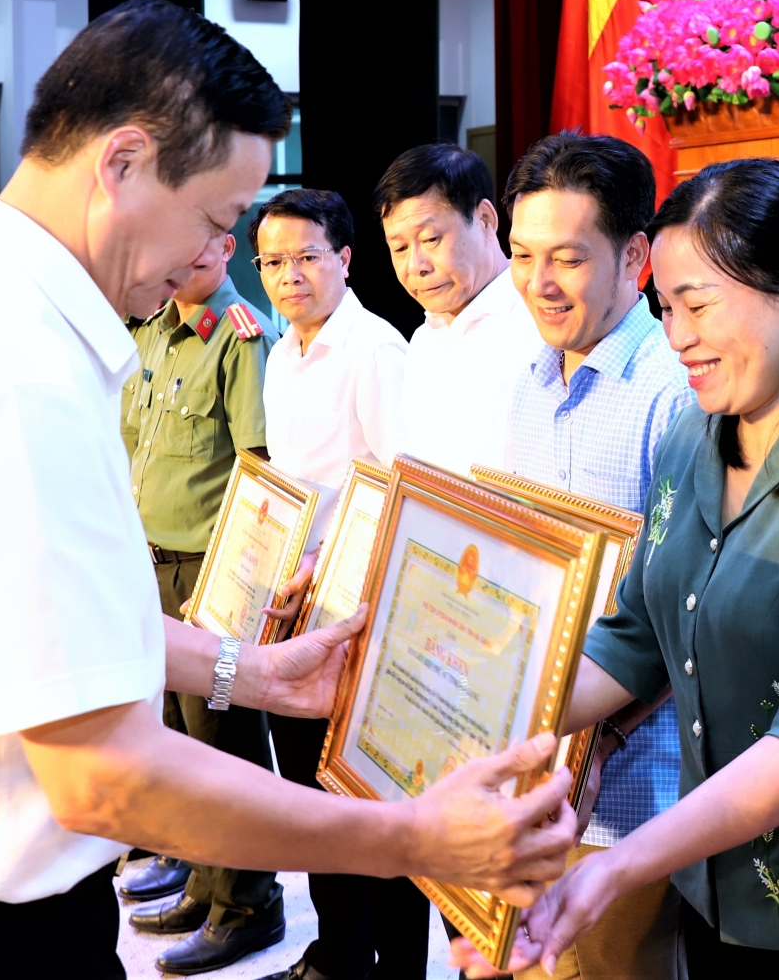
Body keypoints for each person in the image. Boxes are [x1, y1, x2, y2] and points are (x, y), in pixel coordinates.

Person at [0, 0, 575, 979]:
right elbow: (104, 778)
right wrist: (413, 836)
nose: (210, 261)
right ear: (124, 163)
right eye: (213, 221)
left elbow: (44, 630)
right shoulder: (10, 367)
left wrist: (247, 671)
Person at [465, 158, 779, 978]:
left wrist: (622, 862)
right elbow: (633, 639)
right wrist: (484, 695)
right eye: (665, 308)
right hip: (716, 880)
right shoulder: (695, 437)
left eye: (697, 304)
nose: (676, 336)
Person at [497, 132, 696, 979]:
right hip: (539, 773)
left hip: (636, 789)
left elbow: (683, 612)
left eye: (569, 259)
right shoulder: (529, 382)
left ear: (636, 257)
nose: (539, 282)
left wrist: (582, 726)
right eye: (521, 254)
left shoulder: (676, 393)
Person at [252, 187, 414, 980]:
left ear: (345, 259)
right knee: (315, 797)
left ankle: (383, 962)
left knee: (365, 805)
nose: (290, 275)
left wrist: (328, 563)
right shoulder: (282, 351)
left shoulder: (374, 352)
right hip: (295, 607)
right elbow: (293, 482)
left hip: (359, 611)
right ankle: (336, 953)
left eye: (306, 257)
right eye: (273, 262)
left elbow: (399, 490)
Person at [119, 226, 287, 975]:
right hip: (147, 559)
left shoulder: (239, 336)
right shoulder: (153, 330)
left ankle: (249, 902)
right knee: (174, 740)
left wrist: (237, 583)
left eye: (199, 246)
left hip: (206, 566)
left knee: (222, 744)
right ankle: (201, 876)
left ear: (225, 248)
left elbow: (257, 466)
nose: (180, 260)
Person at [377, 144, 543, 476]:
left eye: (431, 239)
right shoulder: (423, 340)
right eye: (399, 247)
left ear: (484, 219)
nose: (416, 266)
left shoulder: (541, 323)